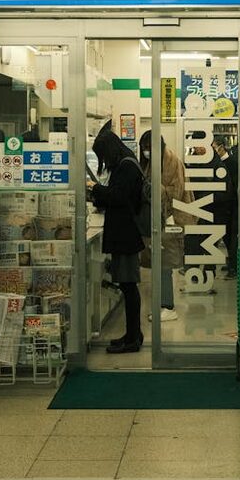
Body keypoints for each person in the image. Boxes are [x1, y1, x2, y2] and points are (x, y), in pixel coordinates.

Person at [88, 124, 145, 353]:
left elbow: (119, 197)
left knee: (129, 287)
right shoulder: (127, 163)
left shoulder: (126, 166)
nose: (102, 161)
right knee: (127, 286)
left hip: (126, 235)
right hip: (125, 234)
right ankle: (133, 335)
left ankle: (133, 339)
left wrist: (95, 188)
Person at [139, 131, 193, 322]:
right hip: (160, 220)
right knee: (160, 264)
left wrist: (155, 189)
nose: (145, 152)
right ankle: (163, 304)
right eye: (143, 148)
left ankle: (168, 306)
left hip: (171, 219)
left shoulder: (172, 162)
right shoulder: (152, 162)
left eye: (148, 148)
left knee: (165, 264)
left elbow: (176, 191)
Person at [212, 137, 238, 275]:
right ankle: (231, 263)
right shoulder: (216, 163)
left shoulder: (232, 163)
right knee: (224, 235)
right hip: (221, 205)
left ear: (221, 147)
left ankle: (233, 266)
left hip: (231, 205)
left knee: (230, 237)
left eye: (214, 147)